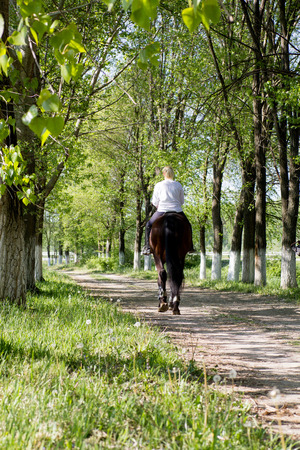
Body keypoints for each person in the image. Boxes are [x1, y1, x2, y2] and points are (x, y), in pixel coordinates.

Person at [141, 166, 192, 255]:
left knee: (149, 225)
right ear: (172, 173)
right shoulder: (178, 185)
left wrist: (158, 205)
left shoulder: (159, 185)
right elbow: (182, 201)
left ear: (163, 173)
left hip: (162, 210)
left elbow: (155, 201)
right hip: (177, 210)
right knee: (188, 225)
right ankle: (191, 247)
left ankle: (147, 247)